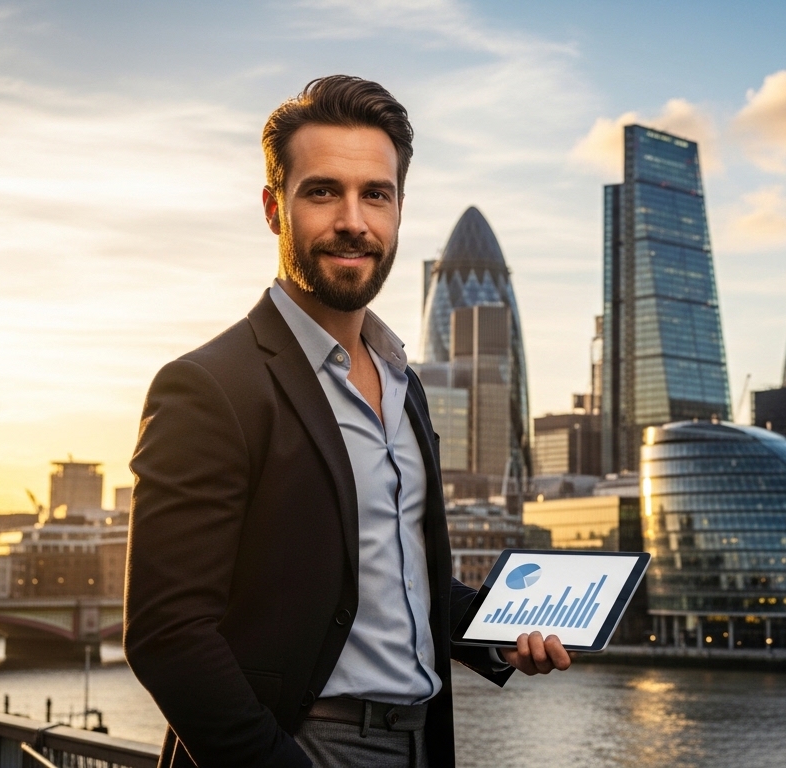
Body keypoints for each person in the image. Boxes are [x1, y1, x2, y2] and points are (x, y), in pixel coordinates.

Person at [124, 75, 571, 768]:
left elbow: (400, 579)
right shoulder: (210, 387)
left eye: (376, 194)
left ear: (398, 211)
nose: (353, 221)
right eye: (323, 191)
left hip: (424, 740)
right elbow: (166, 633)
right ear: (275, 209)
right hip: (306, 744)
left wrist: (501, 632)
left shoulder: (405, 384)